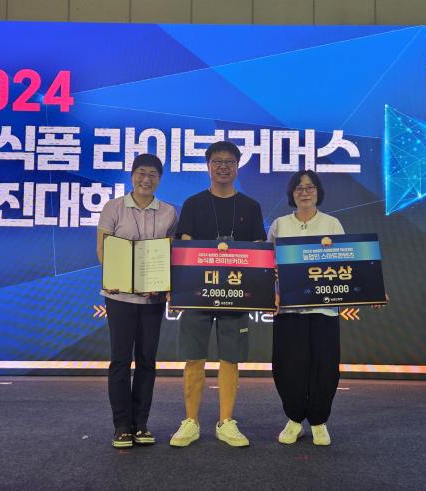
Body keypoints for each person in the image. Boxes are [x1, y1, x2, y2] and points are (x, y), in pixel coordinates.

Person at [169, 141, 266, 448]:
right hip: (197, 294)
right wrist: (179, 290)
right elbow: (184, 247)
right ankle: (191, 421)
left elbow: (259, 250)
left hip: (236, 294)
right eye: (217, 161)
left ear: (237, 166)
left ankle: (226, 422)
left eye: (229, 161)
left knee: (231, 358)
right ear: (208, 166)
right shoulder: (193, 203)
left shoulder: (250, 206)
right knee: (194, 357)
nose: (223, 166)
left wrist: (261, 291)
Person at [96, 153, 178, 448]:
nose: (146, 179)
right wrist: (119, 278)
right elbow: (103, 251)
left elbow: (170, 255)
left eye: (153, 174)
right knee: (120, 360)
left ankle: (141, 424)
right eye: (141, 173)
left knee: (147, 360)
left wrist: (159, 284)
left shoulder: (169, 212)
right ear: (132, 175)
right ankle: (121, 425)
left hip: (152, 300)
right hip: (119, 296)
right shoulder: (113, 207)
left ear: (160, 179)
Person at [268, 170, 344, 446]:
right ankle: (294, 419)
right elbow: (267, 266)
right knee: (288, 367)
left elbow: (348, 263)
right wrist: (272, 292)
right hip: (289, 311)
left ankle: (319, 422)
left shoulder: (332, 223)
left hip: (324, 311)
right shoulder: (279, 224)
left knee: (325, 367)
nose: (304, 192)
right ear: (292, 193)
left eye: (310, 187)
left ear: (318, 191)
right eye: (299, 188)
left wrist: (371, 288)